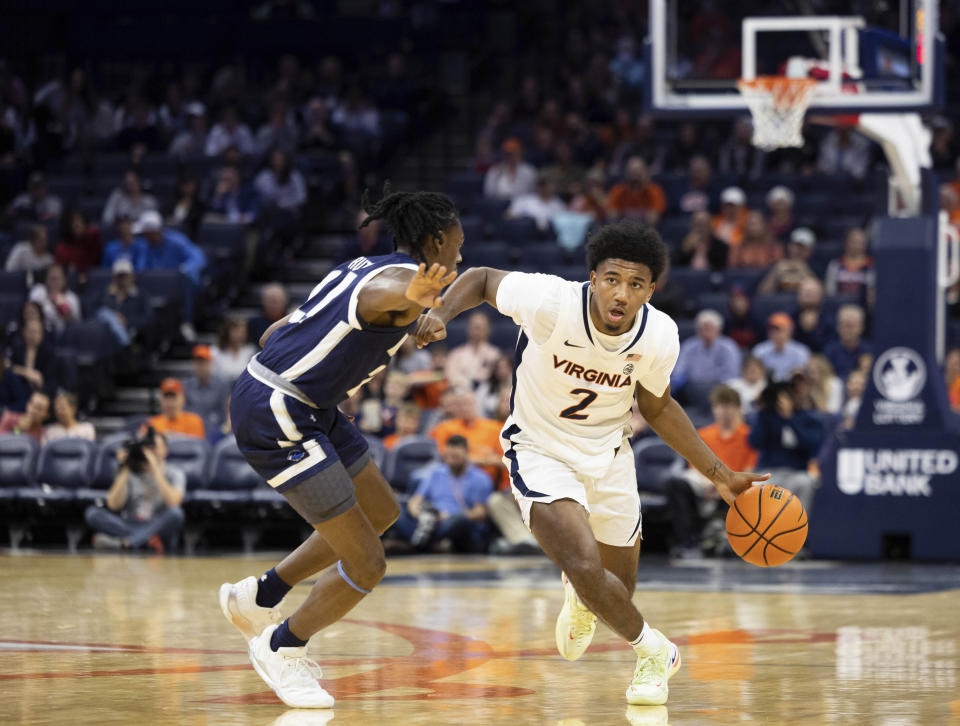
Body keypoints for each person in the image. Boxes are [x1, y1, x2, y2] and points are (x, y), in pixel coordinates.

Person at [414, 220, 767, 705]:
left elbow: (659, 407)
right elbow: (478, 278)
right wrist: (442, 313)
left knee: (614, 590)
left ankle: (582, 596)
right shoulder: (551, 302)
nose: (622, 294)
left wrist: (720, 474)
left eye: (636, 284)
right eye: (612, 280)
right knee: (583, 563)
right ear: (593, 277)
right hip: (540, 448)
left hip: (610, 455)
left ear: (651, 290)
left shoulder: (659, 335)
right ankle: (656, 653)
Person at [218, 188, 463, 709]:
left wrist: (412, 315)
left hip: (309, 401)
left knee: (381, 510)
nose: (460, 258)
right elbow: (397, 291)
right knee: (369, 562)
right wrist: (417, 296)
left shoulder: (361, 267)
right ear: (436, 241)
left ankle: (260, 594)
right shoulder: (401, 282)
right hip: (279, 411)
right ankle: (282, 645)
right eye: (456, 247)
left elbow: (274, 332)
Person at [664, 385, 757, 556]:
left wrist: (724, 484)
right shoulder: (704, 434)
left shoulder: (749, 435)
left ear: (738, 409)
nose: (724, 411)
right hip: (706, 481)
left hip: (734, 484)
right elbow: (695, 464)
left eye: (729, 406)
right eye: (720, 406)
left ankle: (728, 541)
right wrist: (710, 482)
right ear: (714, 409)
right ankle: (685, 542)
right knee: (675, 483)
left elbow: (749, 470)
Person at [84, 428, 185, 554]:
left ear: (165, 450)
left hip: (157, 524)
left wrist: (155, 468)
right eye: (146, 447)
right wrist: (125, 468)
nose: (149, 451)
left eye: (153, 447)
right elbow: (113, 505)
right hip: (129, 523)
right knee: (92, 513)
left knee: (176, 514)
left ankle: (126, 543)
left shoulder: (175, 473)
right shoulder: (130, 471)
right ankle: (144, 540)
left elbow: (173, 502)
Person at [391, 435, 493, 553]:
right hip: (428, 522)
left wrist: (447, 516)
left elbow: (480, 513)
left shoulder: (480, 478)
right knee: (395, 505)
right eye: (448, 457)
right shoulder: (435, 473)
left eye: (455, 457)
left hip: (452, 521)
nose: (451, 461)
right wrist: (421, 516)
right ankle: (427, 543)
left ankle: (416, 543)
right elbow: (415, 501)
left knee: (459, 521)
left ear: (466, 454)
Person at [748, 381, 823, 511]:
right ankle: (758, 530)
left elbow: (810, 444)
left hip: (795, 473)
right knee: (755, 486)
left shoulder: (806, 417)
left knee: (806, 482)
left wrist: (789, 419)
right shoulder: (766, 418)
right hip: (768, 473)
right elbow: (754, 442)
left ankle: (800, 527)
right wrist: (761, 410)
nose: (780, 402)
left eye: (784, 398)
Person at [134, 210, 206, 340]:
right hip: (158, 287)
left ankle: (186, 323)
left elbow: (198, 258)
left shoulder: (176, 241)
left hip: (180, 284)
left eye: (147, 234)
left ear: (155, 231)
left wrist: (184, 269)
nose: (145, 237)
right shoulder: (144, 246)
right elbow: (141, 269)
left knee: (187, 280)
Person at [429, 389, 505, 488]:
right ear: (455, 407)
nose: (465, 408)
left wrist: (468, 458)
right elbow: (443, 456)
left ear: (476, 404)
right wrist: (483, 459)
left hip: (488, 482)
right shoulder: (445, 428)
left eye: (468, 404)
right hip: (455, 479)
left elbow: (505, 460)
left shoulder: (494, 428)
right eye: (461, 404)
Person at [671, 309, 742, 410]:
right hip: (692, 389)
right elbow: (678, 371)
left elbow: (732, 375)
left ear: (718, 329)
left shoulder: (728, 347)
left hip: (719, 388)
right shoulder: (689, 346)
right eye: (702, 328)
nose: (705, 332)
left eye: (709, 328)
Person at [94, 258, 154, 346]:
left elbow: (149, 318)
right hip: (106, 334)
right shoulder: (104, 294)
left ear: (132, 276)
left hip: (133, 334)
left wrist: (127, 321)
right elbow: (94, 312)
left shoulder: (141, 295)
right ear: (114, 278)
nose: (122, 280)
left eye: (125, 276)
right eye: (119, 276)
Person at [443, 310, 502, 390]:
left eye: (481, 327)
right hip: (462, 392)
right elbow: (450, 376)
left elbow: (498, 378)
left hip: (487, 394)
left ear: (488, 329)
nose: (477, 330)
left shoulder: (495, 354)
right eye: (475, 326)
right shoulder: (456, 354)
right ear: (468, 328)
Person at [606, 156, 666, 225]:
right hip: (622, 231)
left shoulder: (655, 191)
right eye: (632, 171)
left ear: (645, 172)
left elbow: (653, 220)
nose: (635, 174)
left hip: (646, 233)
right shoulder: (617, 190)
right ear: (626, 173)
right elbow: (611, 217)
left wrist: (645, 185)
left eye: (638, 171)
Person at [824, 227, 874, 307]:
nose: (856, 245)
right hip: (839, 306)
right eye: (853, 241)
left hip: (863, 306)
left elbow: (872, 292)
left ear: (865, 244)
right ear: (846, 242)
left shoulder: (871, 266)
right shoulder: (835, 265)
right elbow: (831, 292)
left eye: (860, 242)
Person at [756, 228, 817, 294]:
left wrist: (805, 272)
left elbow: (823, 294)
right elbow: (762, 293)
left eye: (803, 247)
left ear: (810, 250)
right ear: (789, 246)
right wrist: (776, 272)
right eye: (796, 246)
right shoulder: (778, 264)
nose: (798, 250)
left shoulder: (816, 266)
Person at [752, 313, 810, 381]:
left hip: (791, 388)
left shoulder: (801, 351)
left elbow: (802, 376)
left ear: (789, 330)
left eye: (779, 329)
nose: (775, 333)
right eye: (772, 330)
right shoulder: (759, 350)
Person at [183, 345, 232, 427]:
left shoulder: (222, 386)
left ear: (210, 363)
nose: (201, 367)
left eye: (204, 362)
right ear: (193, 364)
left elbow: (225, 412)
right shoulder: (186, 386)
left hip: (216, 429)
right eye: (198, 363)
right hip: (192, 430)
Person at [823, 304, 871, 381]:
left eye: (851, 326)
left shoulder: (870, 351)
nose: (848, 331)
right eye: (845, 325)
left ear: (862, 327)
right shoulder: (829, 351)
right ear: (838, 327)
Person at [28, 263, 80, 333]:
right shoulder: (38, 291)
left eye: (58, 278)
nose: (55, 282)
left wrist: (63, 306)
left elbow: (76, 324)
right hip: (40, 332)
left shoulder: (72, 298)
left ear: (64, 280)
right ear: (46, 280)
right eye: (52, 278)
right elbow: (29, 314)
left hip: (63, 334)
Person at [54, 209, 101, 278]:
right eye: (73, 221)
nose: (76, 224)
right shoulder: (63, 246)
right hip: (68, 278)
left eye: (79, 220)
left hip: (90, 276)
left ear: (84, 222)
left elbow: (95, 233)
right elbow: (59, 266)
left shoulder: (92, 238)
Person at [212, 317, 257, 383]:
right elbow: (213, 377)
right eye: (236, 331)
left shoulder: (251, 351)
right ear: (227, 332)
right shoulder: (215, 351)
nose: (239, 335)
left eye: (242, 332)